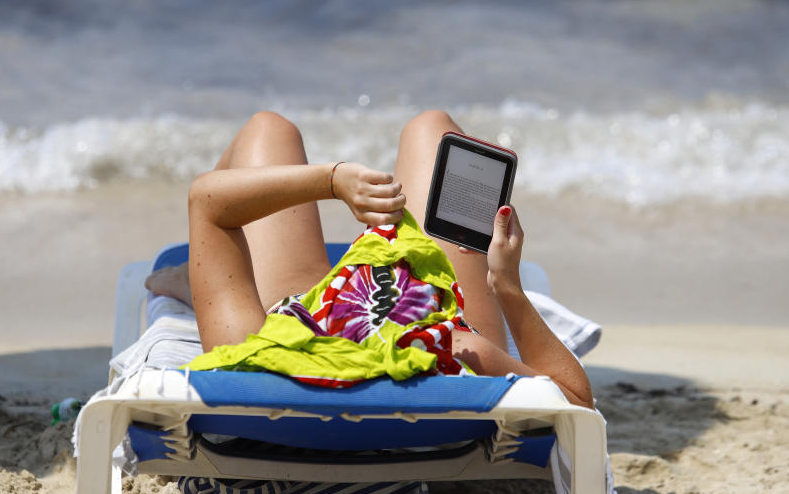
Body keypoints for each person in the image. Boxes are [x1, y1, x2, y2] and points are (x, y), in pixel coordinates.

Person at [146, 109, 592, 408]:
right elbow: (574, 402)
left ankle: (206, 277)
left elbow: (205, 200)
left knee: (268, 129)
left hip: (299, 306)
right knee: (432, 128)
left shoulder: (255, 359)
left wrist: (333, 180)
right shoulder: (457, 348)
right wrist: (507, 288)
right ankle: (216, 274)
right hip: (431, 303)